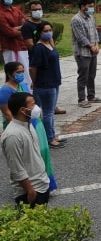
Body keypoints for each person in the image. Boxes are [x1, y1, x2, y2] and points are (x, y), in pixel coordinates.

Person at [0, 62, 56, 190]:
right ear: (9, 73)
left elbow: (31, 104)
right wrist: (21, 129)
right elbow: (8, 115)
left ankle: (45, 181)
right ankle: (29, 186)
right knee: (25, 157)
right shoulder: (4, 91)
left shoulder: (24, 85)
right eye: (18, 72)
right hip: (20, 125)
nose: (21, 74)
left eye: (22, 71)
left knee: (42, 151)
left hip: (33, 122)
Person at [0, 91, 50, 206]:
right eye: (32, 105)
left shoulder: (28, 124)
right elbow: (16, 168)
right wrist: (30, 191)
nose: (36, 107)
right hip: (30, 192)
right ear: (22, 110)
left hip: (42, 184)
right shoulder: (12, 136)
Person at [28, 20, 65, 148]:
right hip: (45, 84)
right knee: (48, 113)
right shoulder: (39, 48)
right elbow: (33, 68)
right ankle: (49, 138)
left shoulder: (49, 44)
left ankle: (52, 135)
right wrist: (34, 81)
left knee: (51, 112)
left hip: (54, 82)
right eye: (45, 31)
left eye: (50, 30)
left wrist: (50, 40)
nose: (49, 33)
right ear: (39, 33)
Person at [70, 0, 101, 107]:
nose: (92, 8)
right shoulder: (76, 19)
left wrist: (97, 45)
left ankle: (91, 96)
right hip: (82, 52)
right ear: (82, 6)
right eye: (90, 6)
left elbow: (95, 32)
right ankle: (81, 99)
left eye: (92, 6)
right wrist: (91, 46)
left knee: (91, 75)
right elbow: (80, 37)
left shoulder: (91, 17)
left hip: (93, 51)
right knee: (83, 76)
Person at [0, 0, 30, 77]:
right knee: (14, 72)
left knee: (26, 70)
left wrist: (16, 28)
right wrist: (21, 27)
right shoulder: (1, 13)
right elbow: (9, 32)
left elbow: (27, 23)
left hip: (22, 45)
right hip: (11, 47)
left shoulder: (16, 10)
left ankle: (27, 86)